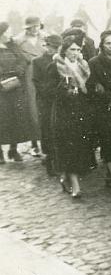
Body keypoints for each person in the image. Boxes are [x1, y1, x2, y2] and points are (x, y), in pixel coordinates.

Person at [46, 35, 93, 198]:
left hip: (80, 110)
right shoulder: (55, 66)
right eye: (72, 49)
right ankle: (75, 186)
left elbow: (88, 88)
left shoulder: (83, 66)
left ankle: (65, 176)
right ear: (64, 50)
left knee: (79, 146)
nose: (75, 52)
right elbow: (48, 91)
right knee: (68, 146)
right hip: (63, 112)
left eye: (78, 49)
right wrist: (64, 89)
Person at [87, 31, 111, 189]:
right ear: (102, 45)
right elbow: (92, 87)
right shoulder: (94, 63)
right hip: (103, 109)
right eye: (108, 43)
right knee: (108, 141)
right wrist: (100, 92)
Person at [13, 16, 46, 156]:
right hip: (28, 78)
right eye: (31, 27)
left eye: (37, 26)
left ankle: (45, 142)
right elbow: (16, 60)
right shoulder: (18, 41)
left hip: (44, 76)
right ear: (26, 28)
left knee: (44, 107)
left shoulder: (46, 38)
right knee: (31, 110)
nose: (35, 29)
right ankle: (34, 143)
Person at [0, 22, 31, 163]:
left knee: (16, 118)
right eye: (7, 31)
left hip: (16, 87)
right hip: (1, 89)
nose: (10, 34)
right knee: (2, 119)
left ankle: (13, 149)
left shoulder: (13, 46)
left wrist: (19, 69)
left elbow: (23, 60)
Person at [32, 34, 62, 175]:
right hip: (46, 102)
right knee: (47, 130)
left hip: (61, 101)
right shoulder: (37, 61)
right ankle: (50, 162)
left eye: (54, 47)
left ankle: (61, 161)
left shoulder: (62, 60)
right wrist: (51, 92)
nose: (51, 50)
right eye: (49, 46)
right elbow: (37, 82)